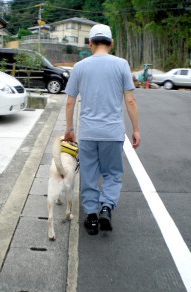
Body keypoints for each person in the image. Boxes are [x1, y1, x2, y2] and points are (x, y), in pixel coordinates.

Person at [64, 24, 140, 235]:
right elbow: (130, 101)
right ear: (111, 43)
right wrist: (136, 129)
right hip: (113, 133)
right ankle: (106, 207)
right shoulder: (122, 65)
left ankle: (91, 215)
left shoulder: (79, 66)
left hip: (88, 132)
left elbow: (70, 102)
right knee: (112, 174)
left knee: (89, 173)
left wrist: (70, 128)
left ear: (90, 43)